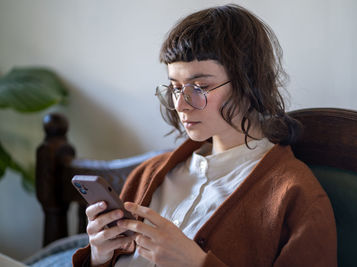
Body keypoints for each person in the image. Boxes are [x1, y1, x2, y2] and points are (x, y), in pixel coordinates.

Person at [73, 4, 337, 267]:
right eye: (176, 87)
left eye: (199, 86)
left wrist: (198, 263)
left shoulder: (297, 197)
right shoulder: (148, 175)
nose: (180, 104)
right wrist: (99, 257)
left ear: (249, 83)